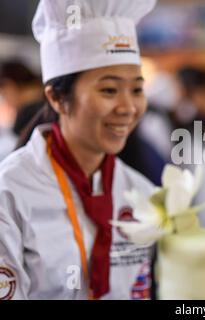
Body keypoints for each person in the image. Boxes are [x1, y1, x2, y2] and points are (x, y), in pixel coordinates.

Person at [0, 0, 157, 300]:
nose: (128, 107)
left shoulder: (140, 191)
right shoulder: (10, 192)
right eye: (109, 90)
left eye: (137, 89)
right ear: (57, 98)